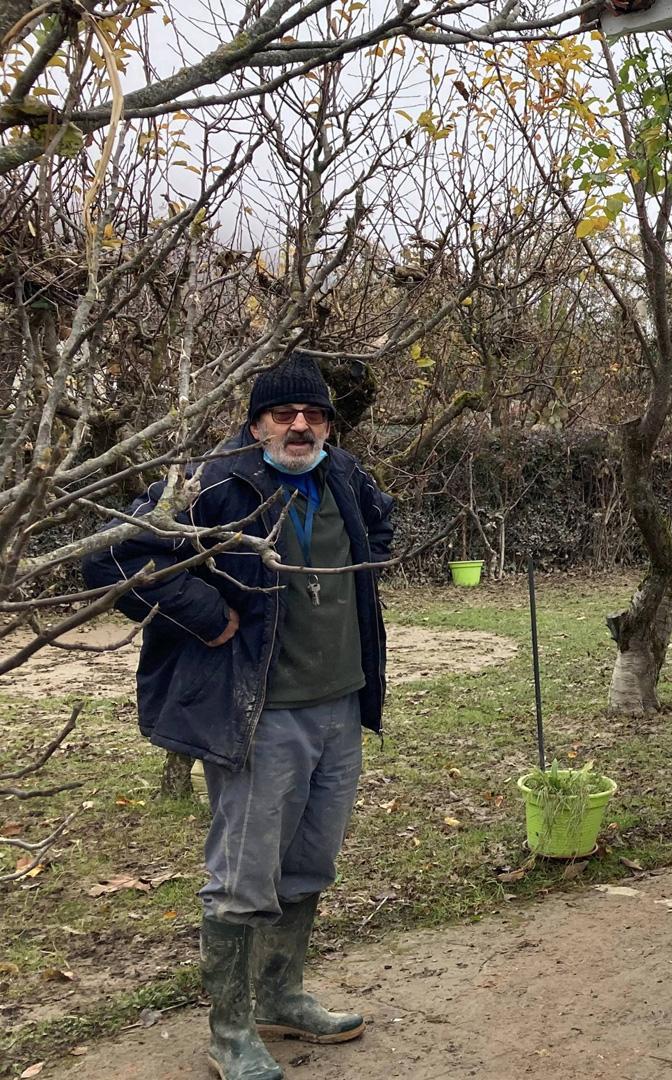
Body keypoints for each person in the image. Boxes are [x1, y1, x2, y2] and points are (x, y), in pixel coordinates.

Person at [82, 350, 394, 1080]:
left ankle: (280, 997)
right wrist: (204, 612)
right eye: (283, 414)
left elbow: (381, 527)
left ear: (328, 424)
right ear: (256, 424)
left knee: (309, 865)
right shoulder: (213, 483)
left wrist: (363, 571)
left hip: (340, 706)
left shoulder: (344, 475)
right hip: (260, 716)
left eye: (313, 414)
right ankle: (230, 1033)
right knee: (244, 876)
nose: (299, 425)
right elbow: (114, 557)